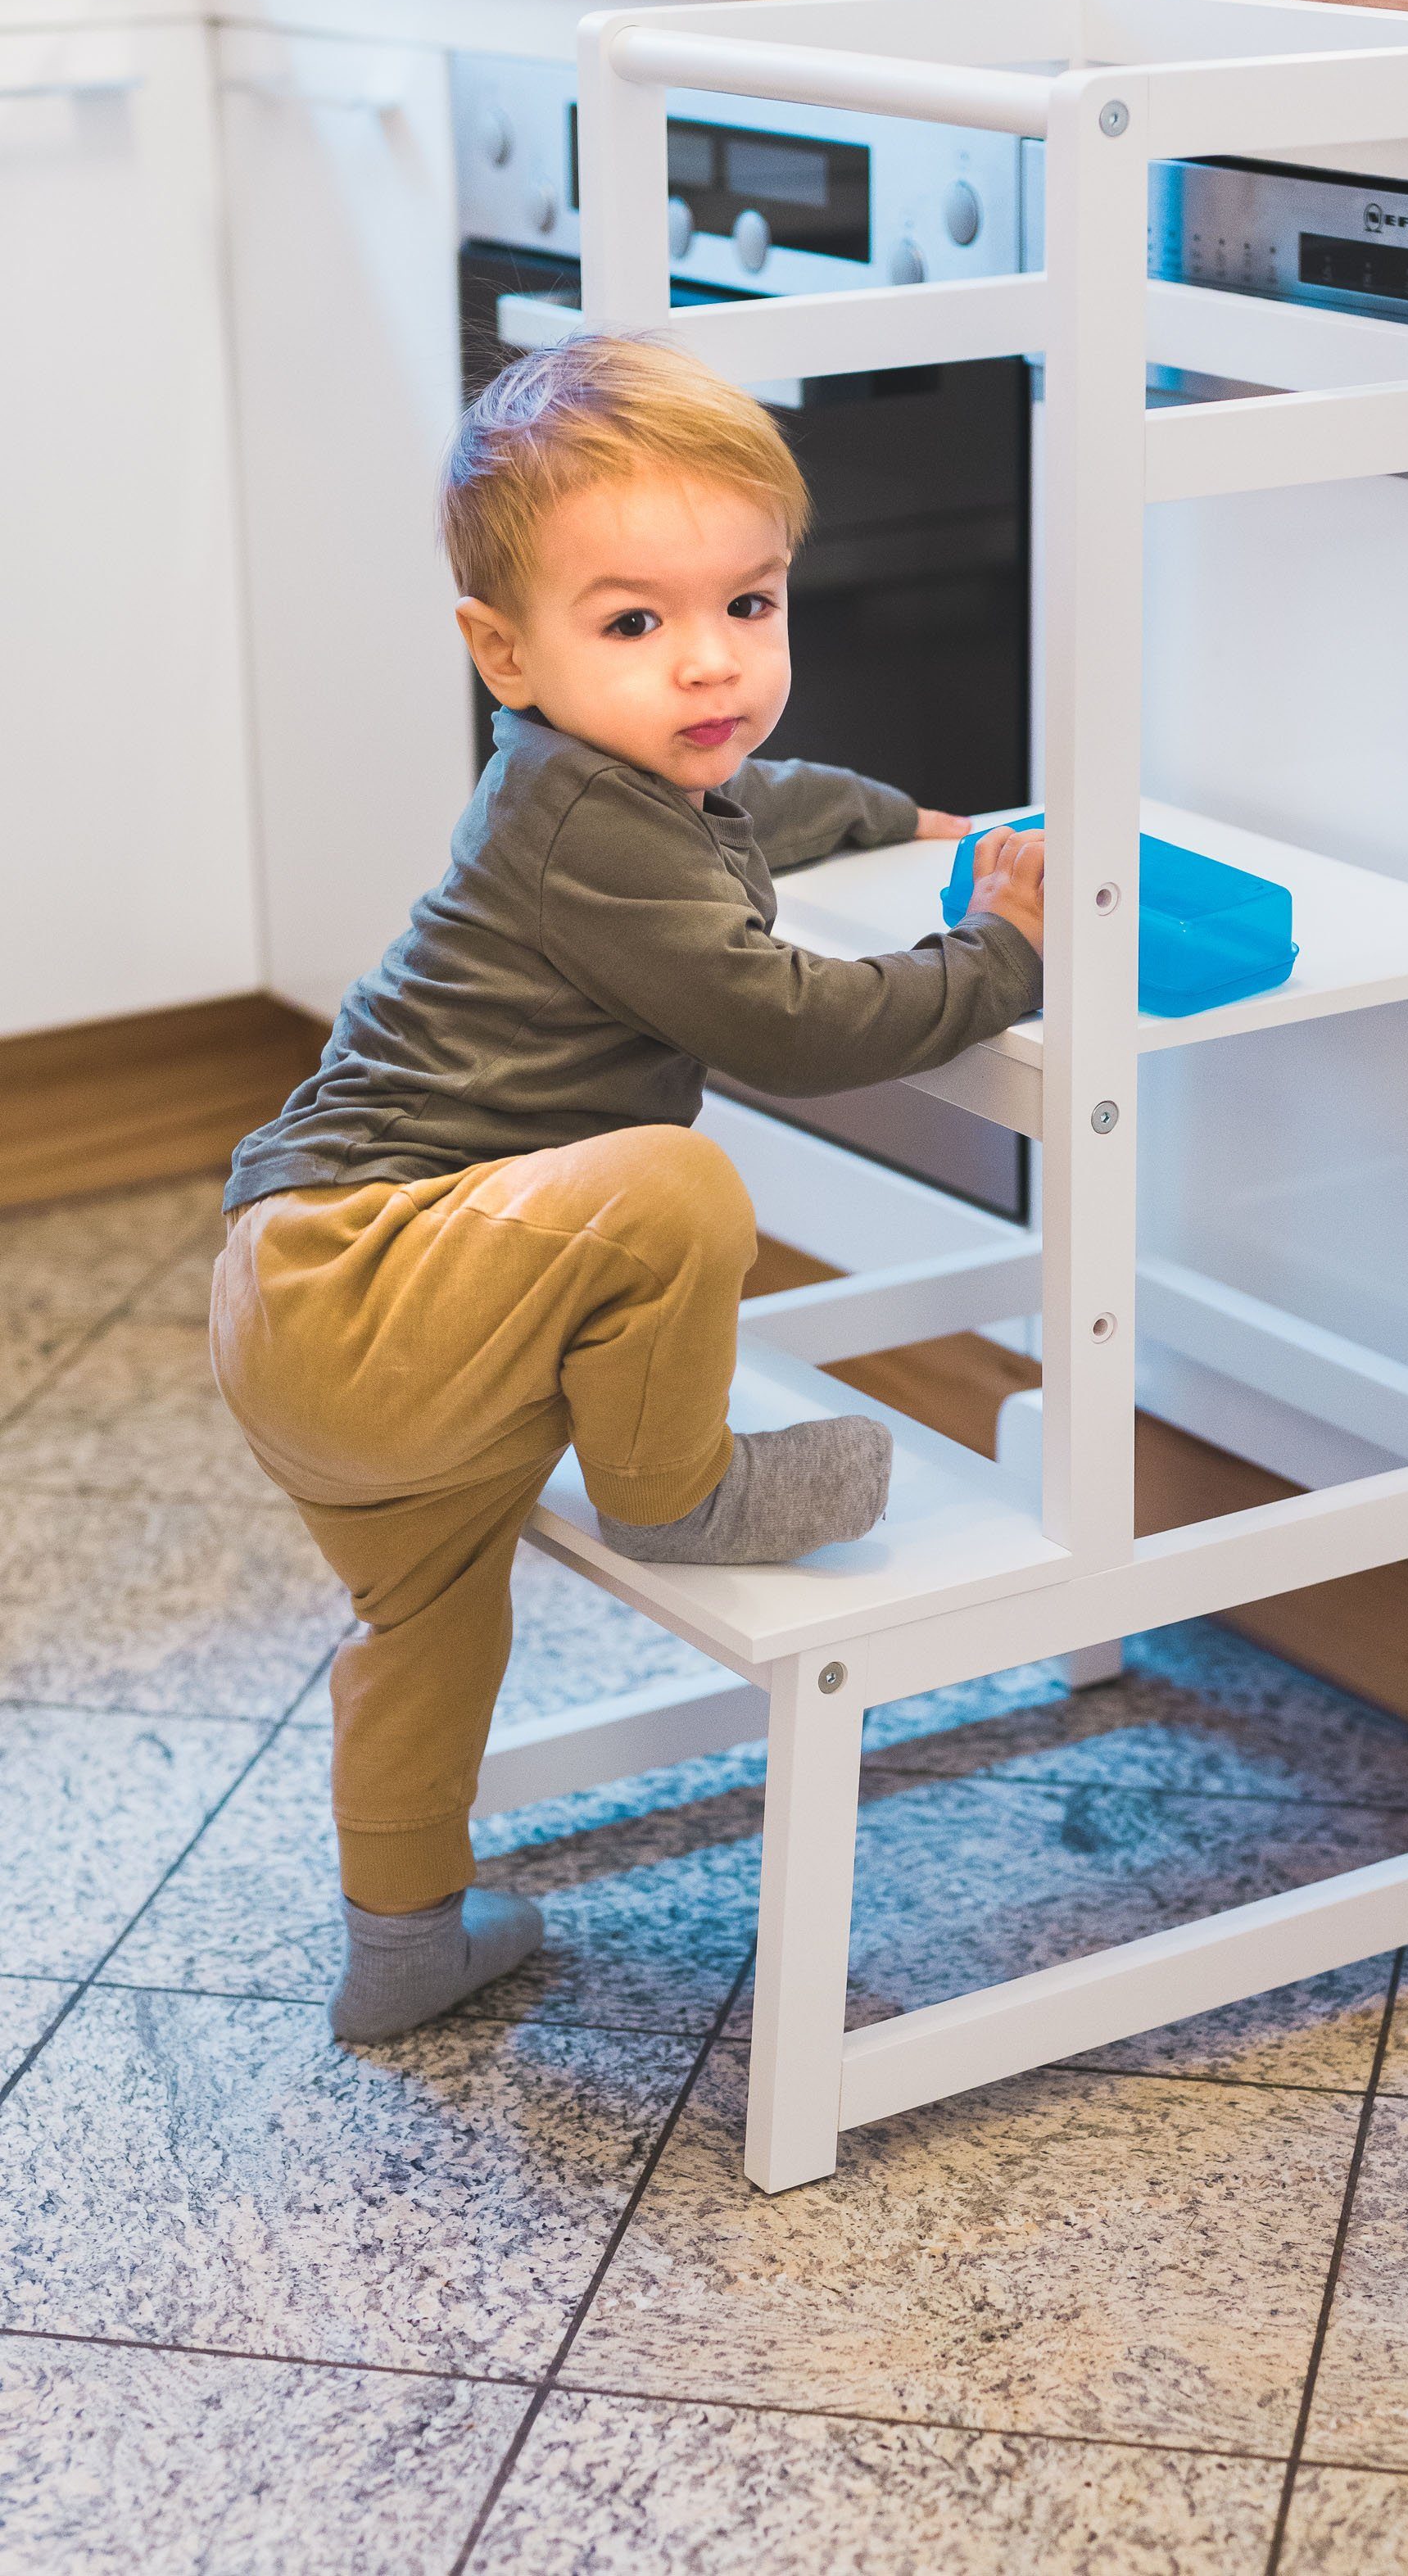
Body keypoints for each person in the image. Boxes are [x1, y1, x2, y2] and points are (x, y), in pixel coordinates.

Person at [211, 333, 1045, 2047]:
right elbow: (787, 1022)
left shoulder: (617, 786)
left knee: (427, 1631)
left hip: (321, 1307)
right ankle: (674, 1488)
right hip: (360, 1277)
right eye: (635, 622)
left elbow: (756, 802)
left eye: (748, 604)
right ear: (502, 654)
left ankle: (405, 1938)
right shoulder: (583, 822)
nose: (708, 664)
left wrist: (900, 812)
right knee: (670, 1183)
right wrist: (998, 954)